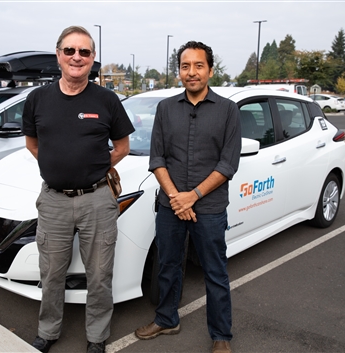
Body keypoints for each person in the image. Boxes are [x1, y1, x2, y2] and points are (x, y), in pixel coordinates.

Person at [22, 26, 135, 353]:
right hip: (54, 202)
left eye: (84, 52)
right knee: (51, 273)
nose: (77, 57)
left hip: (98, 200)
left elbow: (123, 146)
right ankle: (48, 330)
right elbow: (32, 144)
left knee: (99, 275)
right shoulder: (38, 99)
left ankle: (97, 337)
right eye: (70, 50)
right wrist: (59, 166)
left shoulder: (106, 100)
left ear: (93, 58)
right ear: (58, 55)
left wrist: (93, 167)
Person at [134, 41, 241, 353]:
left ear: (209, 69)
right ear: (178, 71)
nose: (191, 72)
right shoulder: (166, 109)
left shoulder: (227, 110)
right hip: (170, 206)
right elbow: (157, 159)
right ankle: (166, 319)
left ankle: (221, 335)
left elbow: (228, 164)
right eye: (185, 66)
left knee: (215, 271)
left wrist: (191, 196)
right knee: (167, 264)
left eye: (198, 65)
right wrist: (175, 197)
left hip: (209, 208)